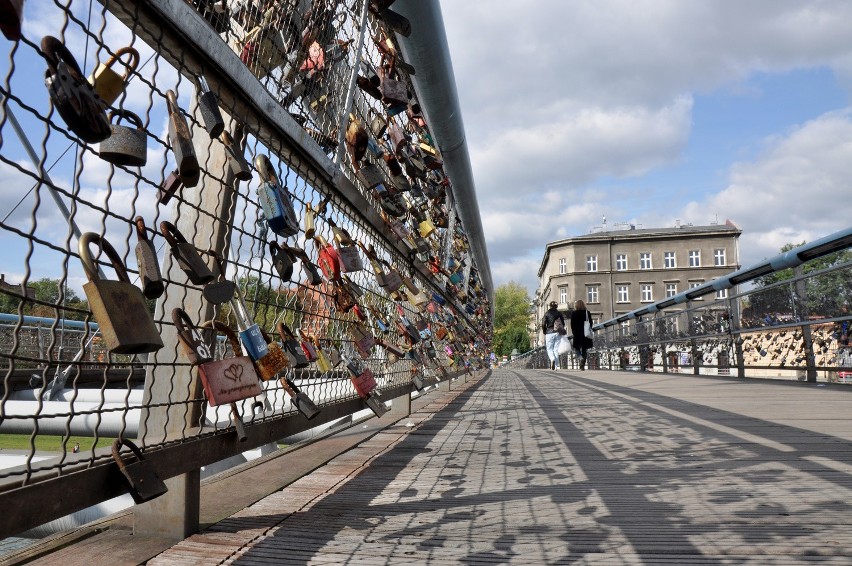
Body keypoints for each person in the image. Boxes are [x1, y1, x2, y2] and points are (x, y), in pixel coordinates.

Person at [540, 301, 566, 370]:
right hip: (557, 332)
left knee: (549, 349)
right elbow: (563, 323)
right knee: (556, 349)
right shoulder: (559, 313)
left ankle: (552, 359)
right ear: (556, 306)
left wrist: (544, 331)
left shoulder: (546, 313)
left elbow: (543, 324)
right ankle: (557, 366)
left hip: (549, 332)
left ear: (550, 306)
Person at [570, 299, 593, 370]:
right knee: (584, 349)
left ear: (576, 306)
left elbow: (572, 324)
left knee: (576, 348)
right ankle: (582, 366)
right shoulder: (587, 312)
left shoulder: (574, 313)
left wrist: (573, 332)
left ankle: (580, 358)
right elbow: (591, 323)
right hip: (585, 333)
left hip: (577, 333)